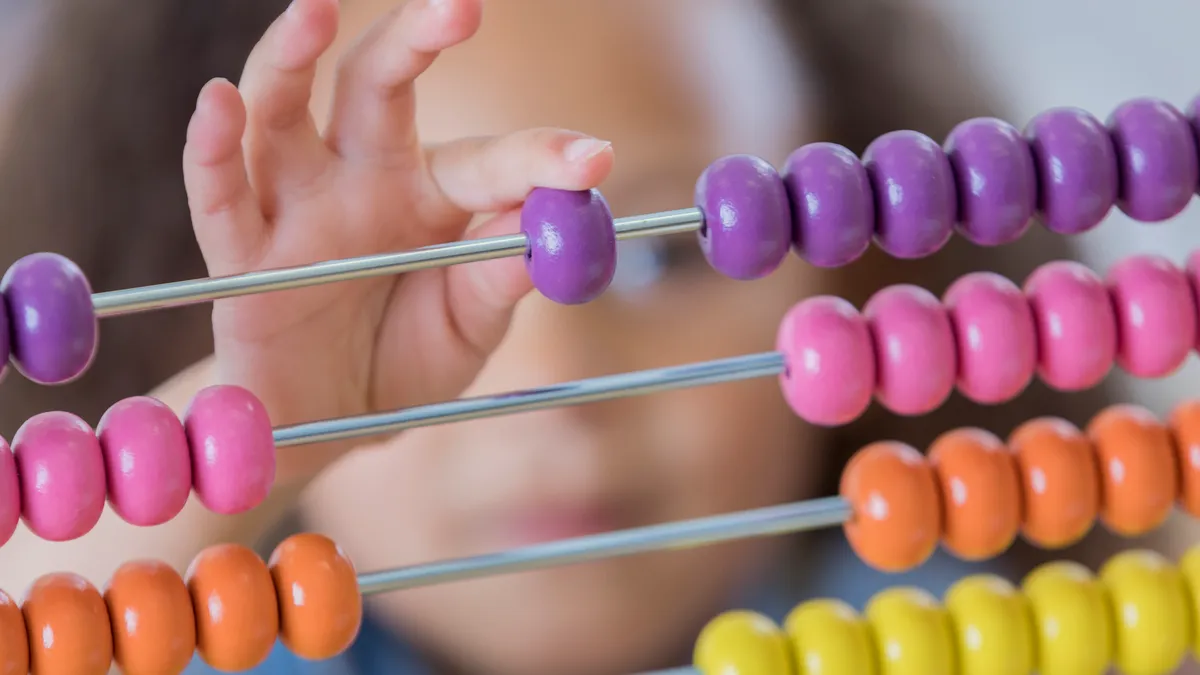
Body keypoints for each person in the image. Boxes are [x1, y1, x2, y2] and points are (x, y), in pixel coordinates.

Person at [0, 1, 1147, 674]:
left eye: (667, 252)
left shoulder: (973, 632)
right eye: (402, 279)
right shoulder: (206, 637)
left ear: (867, 241)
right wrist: (263, 432)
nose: (550, 387)